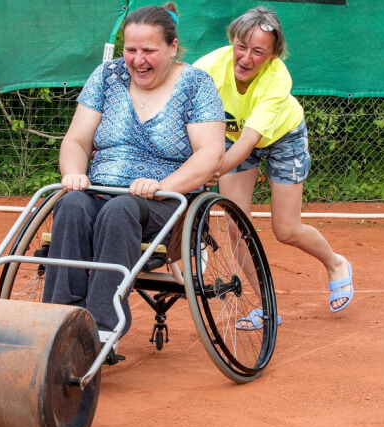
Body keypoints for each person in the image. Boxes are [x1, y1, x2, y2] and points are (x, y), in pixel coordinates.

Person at [42, 3, 225, 350]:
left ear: (172, 47)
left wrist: (163, 186)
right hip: (100, 189)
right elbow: (77, 140)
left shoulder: (196, 85)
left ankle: (99, 329)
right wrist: (74, 174)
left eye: (149, 51)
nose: (138, 60)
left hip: (164, 202)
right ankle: (58, 320)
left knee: (120, 210)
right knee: (71, 206)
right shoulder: (107, 76)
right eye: (131, 50)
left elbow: (210, 154)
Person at [194, 6, 353, 325]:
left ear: (273, 55)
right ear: (232, 41)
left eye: (258, 51)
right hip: (230, 136)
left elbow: (248, 142)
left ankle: (336, 264)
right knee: (237, 224)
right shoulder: (208, 66)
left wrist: (205, 171)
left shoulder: (278, 78)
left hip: (282, 137)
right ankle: (267, 307)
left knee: (286, 229)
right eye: (241, 46)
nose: (245, 58)